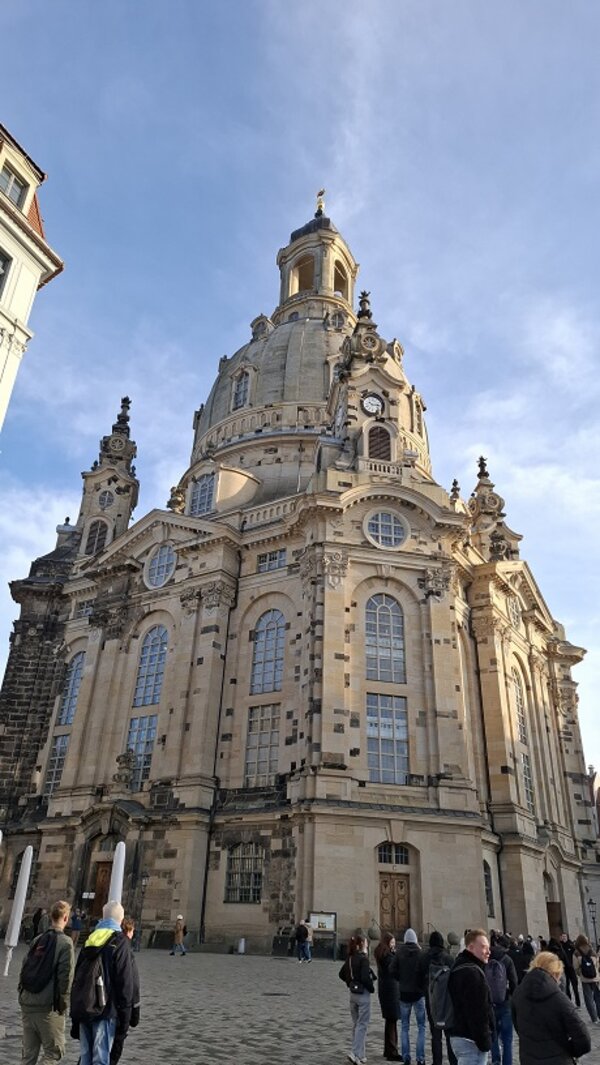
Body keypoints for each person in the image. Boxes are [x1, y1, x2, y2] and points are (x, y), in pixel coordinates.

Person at [71, 899, 135, 1065]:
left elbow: (77, 976)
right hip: (106, 1010)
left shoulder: (90, 938)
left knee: (85, 1058)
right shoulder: (119, 941)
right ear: (121, 920)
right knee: (100, 1059)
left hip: (85, 1005)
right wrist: (126, 1016)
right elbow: (125, 984)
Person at [19, 898, 75, 1065]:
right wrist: (63, 1005)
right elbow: (65, 977)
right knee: (53, 1052)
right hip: (47, 1006)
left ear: (51, 916)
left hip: (27, 1001)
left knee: (28, 1055)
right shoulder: (65, 943)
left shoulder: (38, 939)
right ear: (66, 918)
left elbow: (24, 967)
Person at [511, 950, 591, 1065]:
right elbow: (583, 1038)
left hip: (529, 1058)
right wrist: (570, 1051)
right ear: (555, 973)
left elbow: (518, 1026)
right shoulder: (558, 997)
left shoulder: (518, 993)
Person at [447, 928, 495, 1065]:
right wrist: (485, 1042)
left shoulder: (458, 966)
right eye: (483, 947)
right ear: (471, 947)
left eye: (488, 947)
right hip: (471, 1040)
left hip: (458, 1035)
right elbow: (478, 1012)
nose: (488, 952)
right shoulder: (473, 973)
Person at [418, 930, 456, 1065]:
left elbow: (418, 977)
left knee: (435, 1034)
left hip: (431, 999)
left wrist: (424, 990)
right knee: (449, 1033)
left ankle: (437, 1062)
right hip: (447, 1000)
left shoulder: (423, 958)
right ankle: (453, 1061)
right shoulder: (449, 959)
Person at [339, 933, 375, 1065]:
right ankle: (354, 1053)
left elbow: (341, 974)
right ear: (362, 944)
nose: (367, 945)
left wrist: (350, 982)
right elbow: (365, 978)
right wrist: (371, 988)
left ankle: (361, 1054)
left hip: (353, 994)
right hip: (363, 994)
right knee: (362, 1025)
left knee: (357, 1024)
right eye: (366, 942)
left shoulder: (350, 957)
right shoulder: (363, 959)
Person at [109, 917, 140, 1065]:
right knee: (112, 1052)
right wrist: (134, 1014)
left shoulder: (108, 943)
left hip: (99, 1007)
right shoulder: (126, 950)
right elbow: (131, 986)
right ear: (130, 931)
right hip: (118, 1009)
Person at [396, 928, 426, 1065]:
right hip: (418, 994)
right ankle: (420, 1058)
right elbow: (424, 973)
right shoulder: (420, 954)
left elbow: (392, 969)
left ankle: (406, 1057)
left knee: (404, 1027)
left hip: (404, 994)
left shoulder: (399, 952)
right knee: (421, 1027)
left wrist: (401, 980)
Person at [488, 933, 517, 1065]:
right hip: (505, 1002)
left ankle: (495, 1060)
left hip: (490, 1003)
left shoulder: (487, 957)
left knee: (493, 1035)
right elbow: (514, 982)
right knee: (507, 1039)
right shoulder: (507, 960)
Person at [373, 932, 401, 1061]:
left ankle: (388, 1050)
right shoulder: (388, 957)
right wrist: (396, 955)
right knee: (392, 1020)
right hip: (391, 991)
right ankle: (392, 1052)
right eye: (392, 942)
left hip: (386, 990)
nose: (394, 945)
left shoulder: (383, 954)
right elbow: (396, 969)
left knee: (390, 1021)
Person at [573, 934, 600, 1023]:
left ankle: (594, 1018)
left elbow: (576, 967)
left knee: (588, 999)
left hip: (585, 978)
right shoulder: (592, 950)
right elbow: (597, 964)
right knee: (597, 997)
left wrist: (581, 974)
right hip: (595, 978)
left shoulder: (576, 952)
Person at [559, 933, 580, 1007]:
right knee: (566, 986)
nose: (564, 938)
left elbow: (576, 955)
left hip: (572, 968)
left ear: (567, 937)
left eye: (565, 936)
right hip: (564, 968)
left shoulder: (571, 945)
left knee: (575, 986)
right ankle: (569, 1002)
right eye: (562, 936)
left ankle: (578, 1003)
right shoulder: (560, 946)